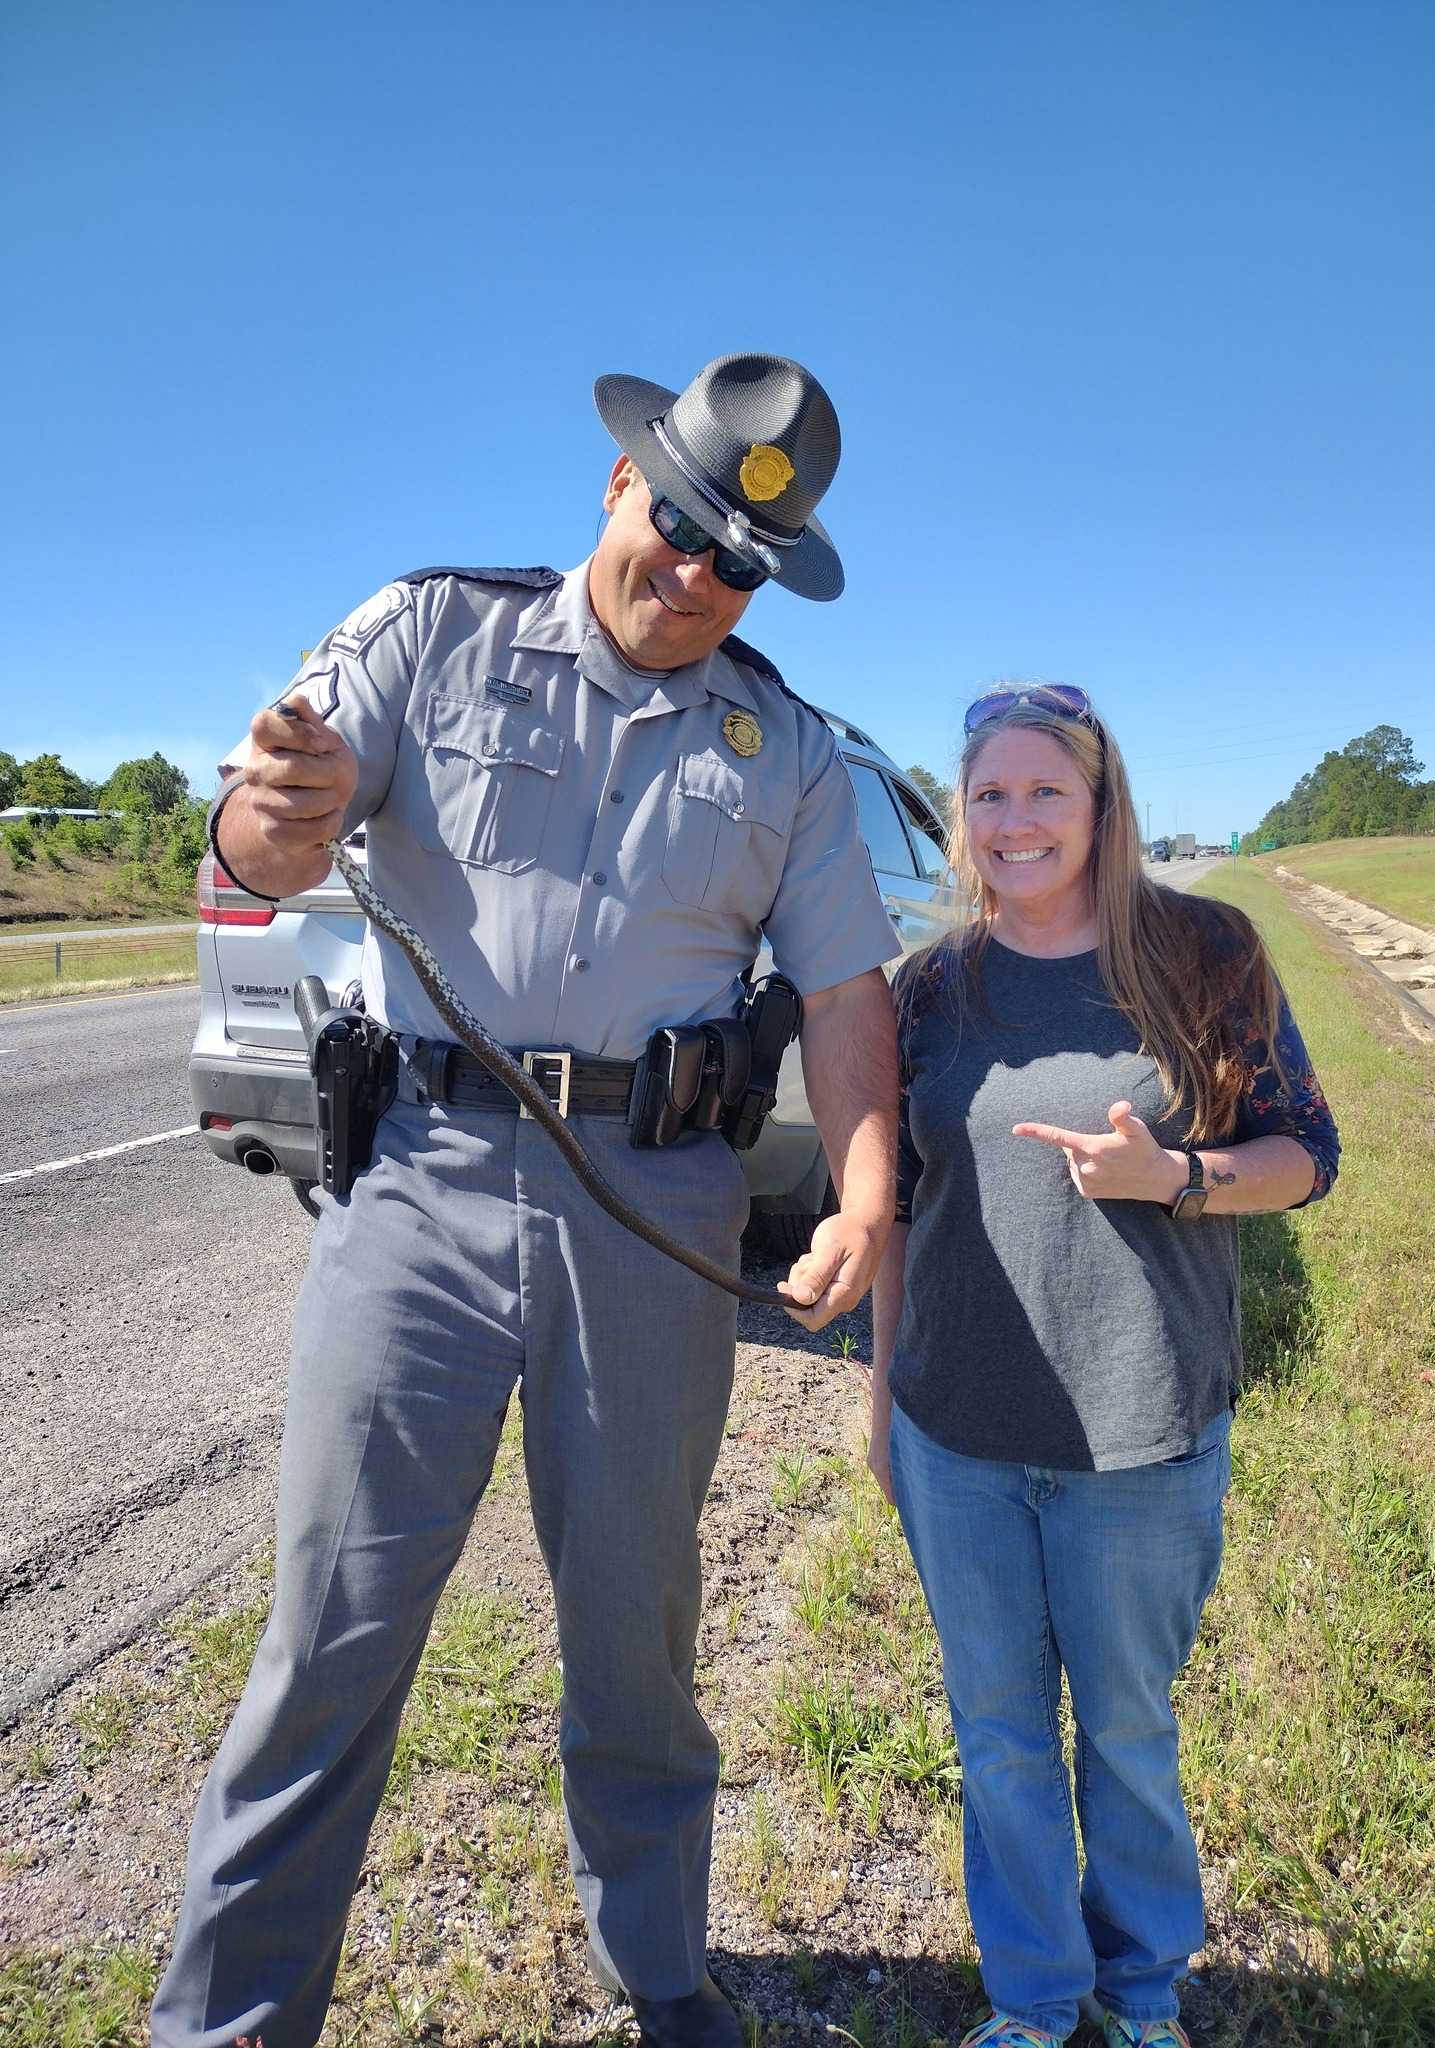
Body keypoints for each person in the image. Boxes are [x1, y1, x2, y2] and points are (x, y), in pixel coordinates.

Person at [150, 353, 902, 2048]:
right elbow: (265, 833)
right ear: (620, 487)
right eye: (686, 529)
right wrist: (268, 822)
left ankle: (663, 1977)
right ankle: (227, 2023)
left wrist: (867, 1194)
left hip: (656, 1209)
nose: (701, 578)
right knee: (333, 1629)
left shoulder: (780, 745)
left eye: (743, 565)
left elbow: (851, 998)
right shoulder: (432, 632)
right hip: (417, 1184)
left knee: (638, 1629)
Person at [867, 684, 1339, 2048]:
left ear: (1101, 803)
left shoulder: (1206, 952)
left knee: (1126, 1738)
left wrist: (1176, 1176)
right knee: (1002, 1742)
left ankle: (1138, 1998)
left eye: (1044, 793)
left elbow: (1309, 1154)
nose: (1014, 822)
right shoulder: (932, 986)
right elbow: (898, 1206)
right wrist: (879, 1399)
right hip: (958, 1434)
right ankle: (1032, 2000)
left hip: (1142, 1438)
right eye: (988, 796)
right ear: (962, 817)